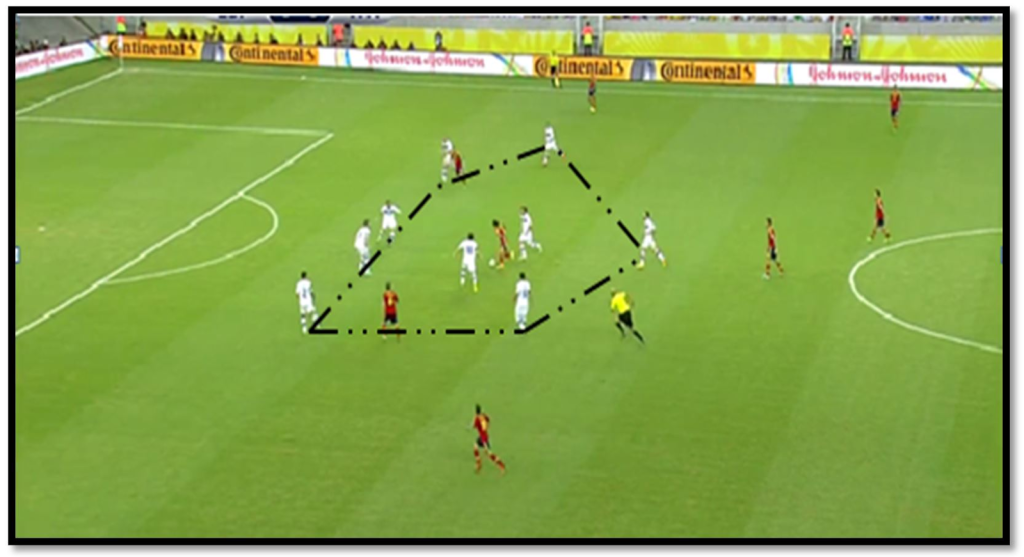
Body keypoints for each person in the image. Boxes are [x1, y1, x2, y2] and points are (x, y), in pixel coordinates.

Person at [470, 405, 507, 475]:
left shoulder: (477, 418)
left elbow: (474, 426)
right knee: (475, 446)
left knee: (489, 454)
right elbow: (488, 419)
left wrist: (471, 426)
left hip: (483, 438)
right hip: (484, 436)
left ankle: (501, 466)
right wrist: (487, 425)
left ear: (475, 412)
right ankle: (478, 462)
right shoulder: (483, 415)